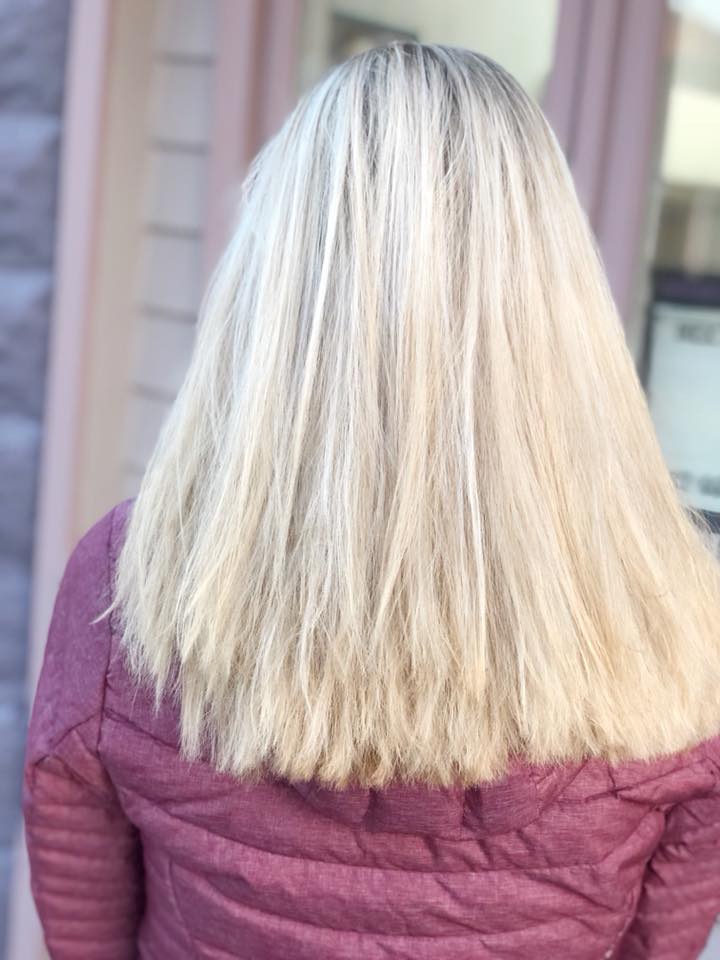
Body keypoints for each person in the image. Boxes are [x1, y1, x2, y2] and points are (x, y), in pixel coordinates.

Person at [23, 42, 720, 960]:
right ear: (567, 305)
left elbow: (84, 928)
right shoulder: (681, 621)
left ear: (271, 289)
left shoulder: (130, 586)